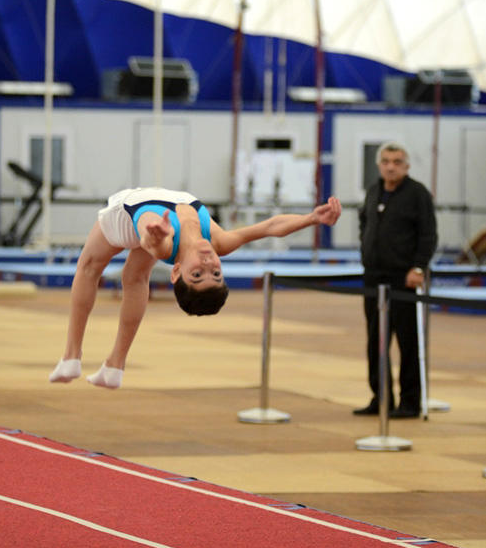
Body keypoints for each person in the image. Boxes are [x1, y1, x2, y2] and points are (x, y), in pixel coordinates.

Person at [49, 186, 342, 389]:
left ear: (176, 271)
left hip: (127, 217)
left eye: (197, 274)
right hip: (158, 220)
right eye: (216, 272)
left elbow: (154, 244)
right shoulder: (219, 242)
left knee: (89, 267)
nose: (208, 262)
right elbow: (269, 228)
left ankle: (71, 356)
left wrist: (155, 236)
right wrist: (311, 219)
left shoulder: (165, 245)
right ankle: (115, 366)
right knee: (134, 277)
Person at [354, 143, 437, 419]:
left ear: (407, 166)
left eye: (397, 162)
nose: (391, 166)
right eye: (386, 161)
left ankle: (410, 402)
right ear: (379, 165)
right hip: (373, 276)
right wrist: (365, 249)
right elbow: (364, 222)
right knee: (375, 341)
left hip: (404, 279)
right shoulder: (373, 191)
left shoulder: (417, 194)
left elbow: (428, 233)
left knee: (407, 341)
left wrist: (419, 266)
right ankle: (381, 398)